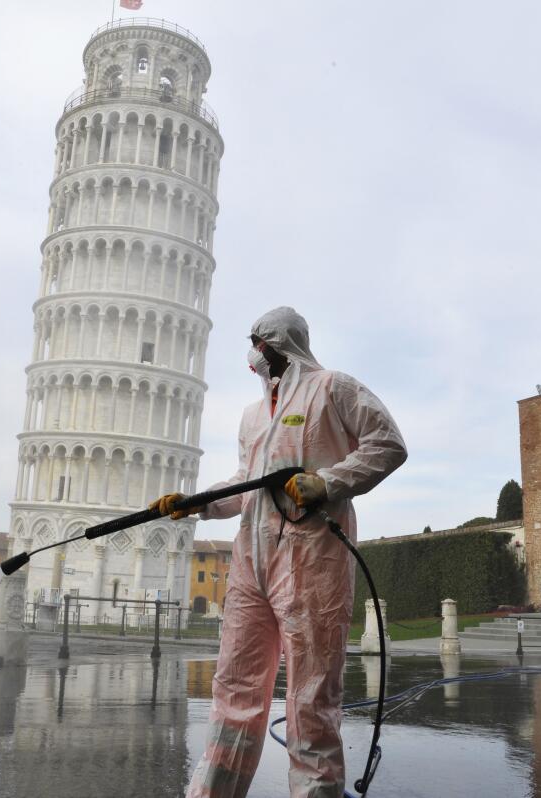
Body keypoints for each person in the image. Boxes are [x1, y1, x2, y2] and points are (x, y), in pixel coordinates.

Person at [151, 307, 407, 798]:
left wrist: (328, 482)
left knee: (311, 697)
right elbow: (247, 488)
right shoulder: (252, 416)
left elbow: (388, 443)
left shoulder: (333, 388)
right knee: (234, 689)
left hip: (313, 558)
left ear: (276, 344)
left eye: (257, 343)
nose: (253, 355)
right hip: (252, 562)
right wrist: (195, 503)